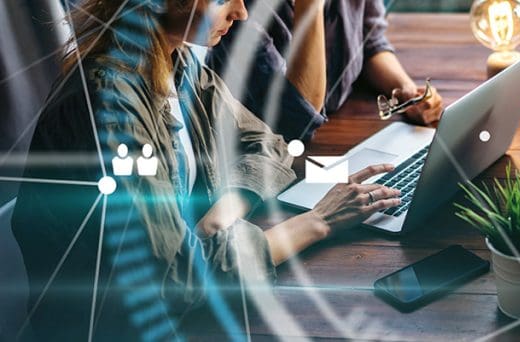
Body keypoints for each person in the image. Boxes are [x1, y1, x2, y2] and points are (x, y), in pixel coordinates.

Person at [13, 0, 402, 340]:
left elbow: (266, 143)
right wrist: (318, 222)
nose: (241, 11)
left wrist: (225, 212)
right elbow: (175, 281)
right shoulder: (110, 109)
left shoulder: (175, 61)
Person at [208, 0, 444, 141]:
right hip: (277, 158)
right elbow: (299, 119)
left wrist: (404, 89)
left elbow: (369, 40)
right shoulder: (236, 12)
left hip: (344, 131)